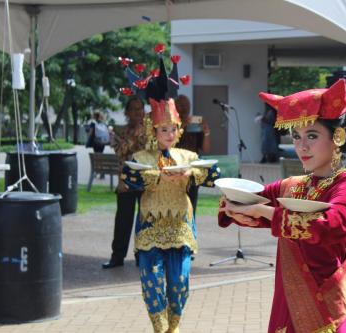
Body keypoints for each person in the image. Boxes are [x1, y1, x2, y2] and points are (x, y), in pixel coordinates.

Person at [218, 79, 346, 333]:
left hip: (326, 311)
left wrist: (263, 212)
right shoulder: (293, 185)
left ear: (337, 137)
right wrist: (233, 202)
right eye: (296, 137)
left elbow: (331, 226)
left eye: (312, 136)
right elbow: (256, 199)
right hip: (287, 307)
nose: (302, 146)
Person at [121, 47, 220, 333]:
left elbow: (213, 174)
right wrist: (157, 177)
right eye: (163, 129)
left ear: (178, 129)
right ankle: (160, 329)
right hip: (151, 228)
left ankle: (173, 326)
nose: (168, 134)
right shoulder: (142, 158)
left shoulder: (187, 156)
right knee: (152, 282)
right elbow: (130, 179)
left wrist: (190, 174)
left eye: (172, 129)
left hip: (179, 228)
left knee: (179, 283)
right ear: (154, 131)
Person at [102, 96, 146, 269]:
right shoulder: (120, 131)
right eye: (133, 109)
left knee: (144, 221)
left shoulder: (151, 131)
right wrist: (133, 136)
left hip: (146, 182)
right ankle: (117, 257)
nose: (137, 113)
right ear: (127, 112)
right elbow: (120, 151)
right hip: (126, 182)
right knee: (122, 220)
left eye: (140, 109)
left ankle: (142, 255)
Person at [175, 94, 211, 217]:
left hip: (192, 172)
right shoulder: (171, 126)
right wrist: (182, 126)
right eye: (180, 105)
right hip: (176, 172)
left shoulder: (195, 126)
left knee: (191, 207)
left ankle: (190, 232)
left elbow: (205, 149)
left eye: (186, 105)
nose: (184, 108)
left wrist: (206, 132)